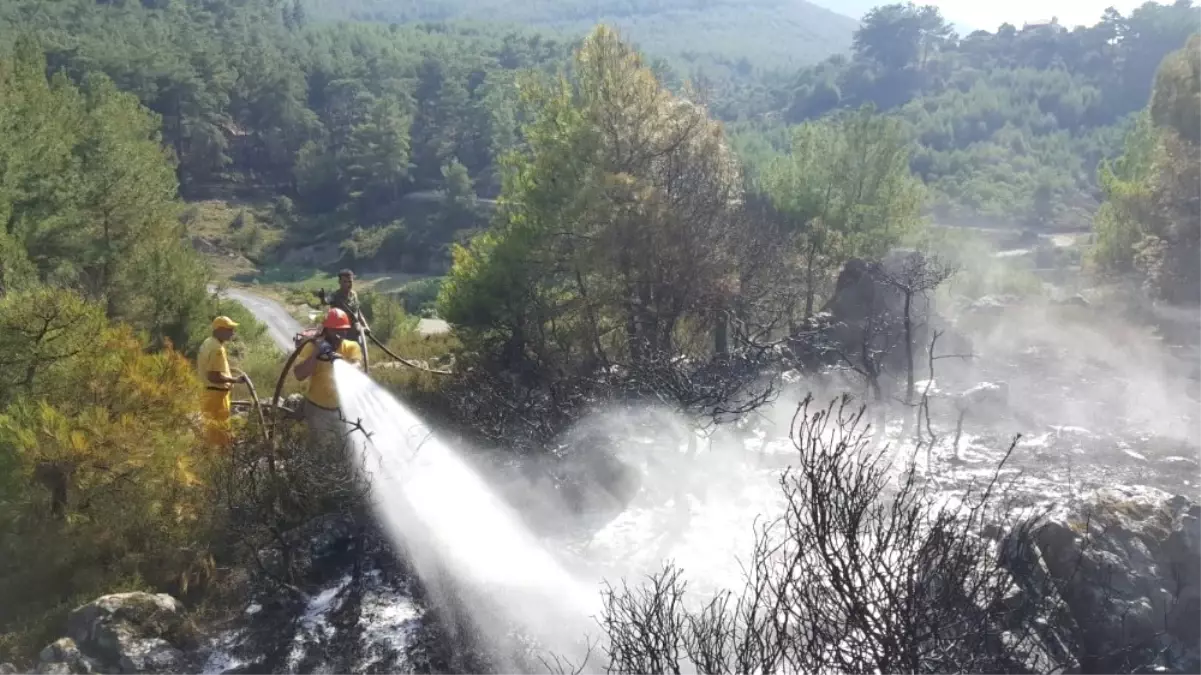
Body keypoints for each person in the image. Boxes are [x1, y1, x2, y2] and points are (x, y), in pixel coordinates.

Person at [293, 307, 363, 449]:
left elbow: (357, 366)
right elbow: (299, 375)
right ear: (326, 331)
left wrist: (341, 361)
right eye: (336, 330)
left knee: (345, 450)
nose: (340, 334)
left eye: (343, 330)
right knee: (319, 450)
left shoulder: (351, 347)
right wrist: (316, 354)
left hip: (343, 410)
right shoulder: (312, 347)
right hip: (317, 410)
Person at [197, 316, 246, 447]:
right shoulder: (217, 349)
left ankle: (210, 458)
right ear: (219, 330)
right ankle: (219, 461)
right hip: (217, 397)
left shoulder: (208, 342)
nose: (232, 333)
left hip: (208, 394)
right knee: (220, 434)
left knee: (210, 431)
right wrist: (235, 380)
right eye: (229, 329)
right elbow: (213, 376)